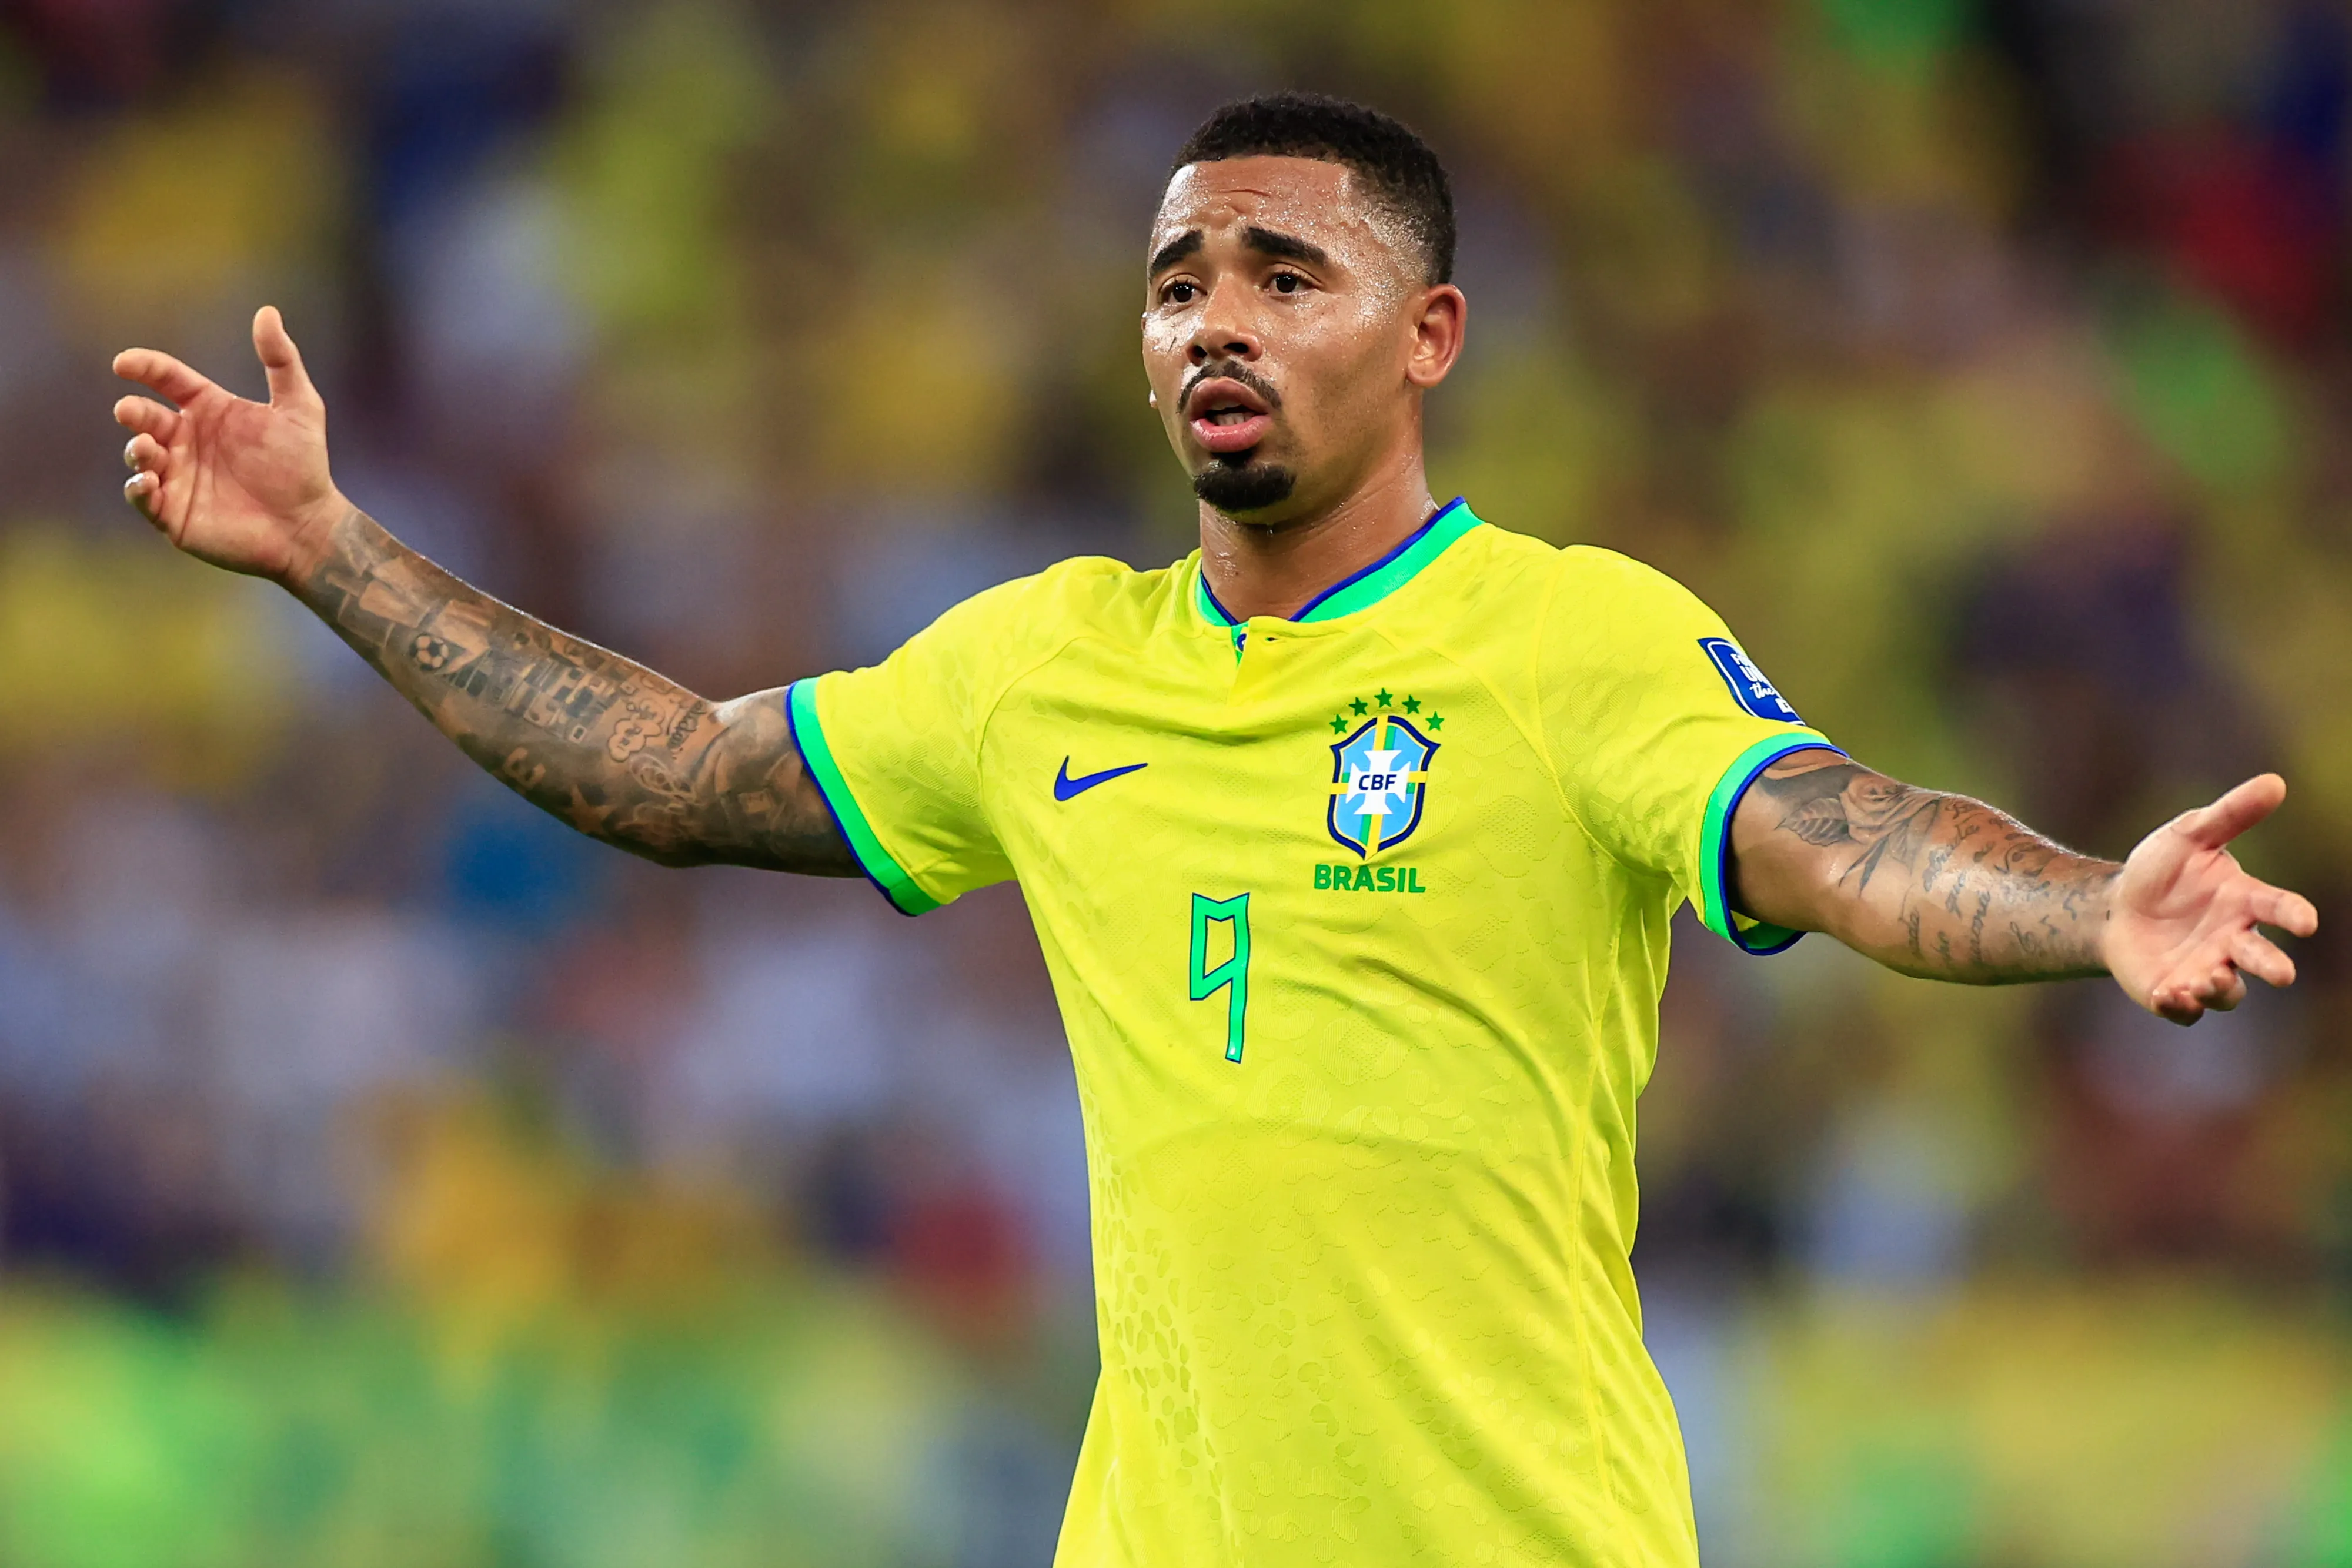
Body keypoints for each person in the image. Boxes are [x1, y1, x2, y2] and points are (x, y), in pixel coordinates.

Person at [111, 92, 2316, 1568]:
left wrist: (2078, 910)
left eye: (1286, 273)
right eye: (1180, 284)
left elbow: (1840, 834)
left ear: (1430, 333)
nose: (1216, 323)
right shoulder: (1044, 666)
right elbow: (679, 772)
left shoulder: (1575, 641)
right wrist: (333, 552)